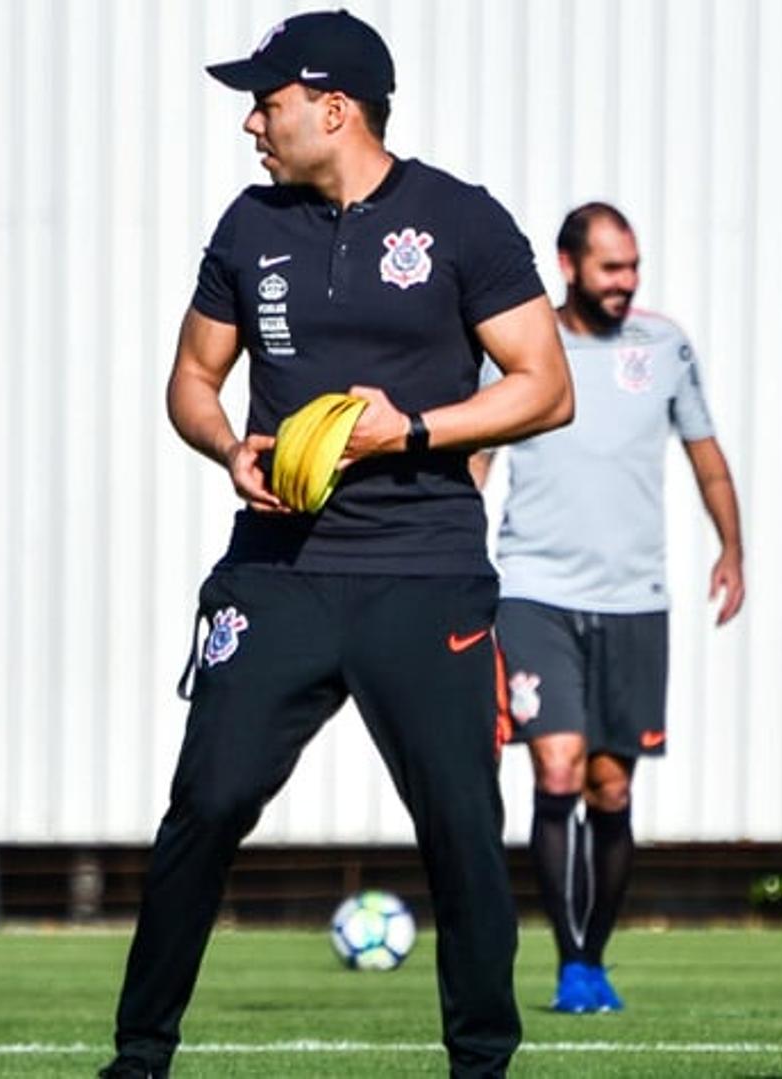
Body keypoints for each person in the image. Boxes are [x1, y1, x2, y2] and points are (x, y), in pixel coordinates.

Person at [101, 12, 575, 1079]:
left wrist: (404, 429)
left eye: (266, 102)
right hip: (279, 571)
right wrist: (228, 444)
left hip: (425, 570)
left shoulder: (460, 220)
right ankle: (137, 1058)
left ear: (334, 107)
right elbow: (189, 378)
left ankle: (482, 1063)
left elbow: (547, 387)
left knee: (459, 823)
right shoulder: (248, 223)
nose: (252, 124)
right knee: (206, 804)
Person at [477, 202, 744, 1014]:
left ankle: (595, 954)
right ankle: (569, 964)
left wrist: (732, 547)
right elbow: (476, 459)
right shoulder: (522, 348)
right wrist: (451, 571)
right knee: (556, 765)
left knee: (611, 787)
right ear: (569, 266)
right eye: (610, 268)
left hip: (636, 601)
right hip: (534, 593)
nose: (627, 282)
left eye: (632, 267)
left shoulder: (663, 347)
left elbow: (707, 456)